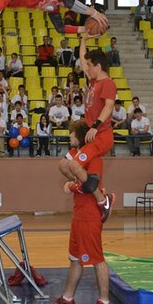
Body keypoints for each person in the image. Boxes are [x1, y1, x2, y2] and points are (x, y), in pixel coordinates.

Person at [44, 120, 115, 304]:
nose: (69, 136)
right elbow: (64, 166)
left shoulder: (95, 158)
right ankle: (67, 299)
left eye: (72, 133)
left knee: (97, 259)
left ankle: (105, 302)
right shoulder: (78, 156)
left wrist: (72, 186)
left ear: (80, 135)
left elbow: (91, 185)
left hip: (90, 216)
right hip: (79, 214)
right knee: (75, 259)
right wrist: (71, 180)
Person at [57, 35, 115, 222]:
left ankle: (102, 201)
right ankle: (84, 185)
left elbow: (109, 106)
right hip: (92, 136)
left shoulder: (107, 83)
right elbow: (82, 61)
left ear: (98, 67)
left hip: (101, 135)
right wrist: (83, 40)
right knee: (65, 166)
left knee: (74, 165)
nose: (86, 68)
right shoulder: (94, 82)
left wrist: (96, 126)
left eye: (90, 65)